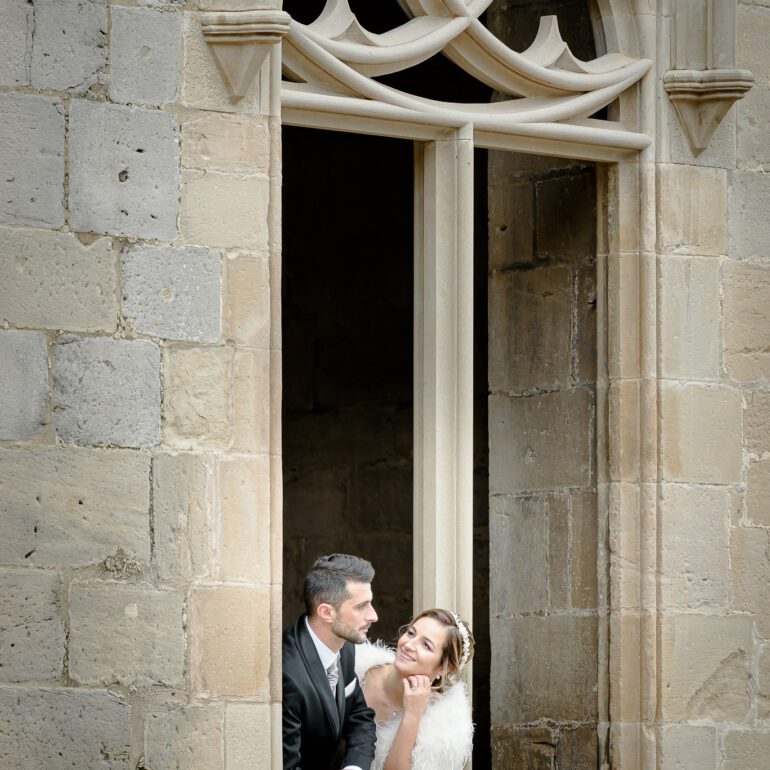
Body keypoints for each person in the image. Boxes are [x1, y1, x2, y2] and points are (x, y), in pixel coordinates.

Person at [283, 553, 379, 770]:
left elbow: (359, 716)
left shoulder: (345, 646)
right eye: (361, 606)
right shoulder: (287, 673)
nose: (373, 616)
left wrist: (354, 767)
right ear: (326, 612)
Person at [354, 608, 474, 770]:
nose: (408, 645)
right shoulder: (356, 667)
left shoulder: (443, 732)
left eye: (426, 645)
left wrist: (412, 714)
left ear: (444, 668)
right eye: (411, 633)